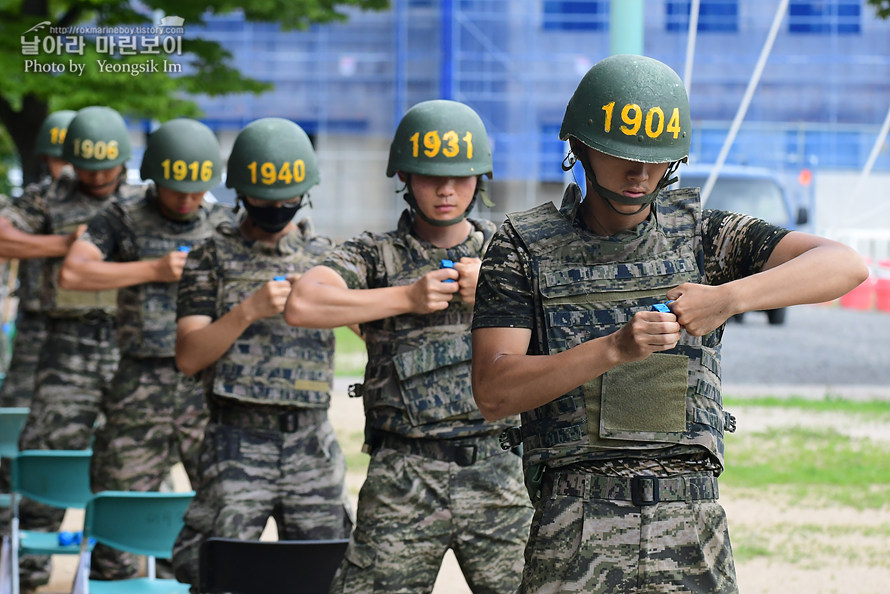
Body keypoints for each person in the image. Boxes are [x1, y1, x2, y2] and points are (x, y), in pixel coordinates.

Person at [469, 54, 869, 593]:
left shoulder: (705, 236)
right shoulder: (521, 246)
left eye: (655, 159)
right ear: (581, 147)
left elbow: (846, 265)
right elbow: (494, 391)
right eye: (622, 155)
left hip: (691, 523)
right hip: (576, 524)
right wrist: (612, 348)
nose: (640, 174)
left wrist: (729, 298)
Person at [285, 99, 532, 594]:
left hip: (500, 469)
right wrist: (405, 297)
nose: (445, 190)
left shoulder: (511, 250)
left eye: (459, 177)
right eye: (428, 176)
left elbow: (576, 321)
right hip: (403, 474)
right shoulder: (374, 254)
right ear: (405, 178)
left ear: (479, 179)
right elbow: (303, 303)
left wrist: (498, 287)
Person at [170, 117, 354, 591]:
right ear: (240, 193)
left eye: (286, 201)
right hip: (236, 439)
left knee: (326, 572)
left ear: (304, 192)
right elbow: (189, 356)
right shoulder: (209, 257)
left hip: (310, 440)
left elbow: (370, 328)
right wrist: (247, 310)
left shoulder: (328, 256)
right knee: (217, 572)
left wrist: (328, 304)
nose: (275, 208)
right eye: (262, 200)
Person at [58, 118, 231, 582]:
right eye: (177, 189)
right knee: (119, 510)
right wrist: (151, 269)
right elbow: (74, 272)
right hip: (139, 381)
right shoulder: (122, 215)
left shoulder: (225, 224)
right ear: (154, 176)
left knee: (223, 509)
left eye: (197, 190)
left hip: (207, 386)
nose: (187, 199)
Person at [0, 105, 145, 592]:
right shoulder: (47, 198)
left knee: (132, 461)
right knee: (47, 448)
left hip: (129, 341)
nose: (100, 176)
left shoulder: (142, 200)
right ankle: (29, 571)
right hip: (63, 338)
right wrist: (67, 245)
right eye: (88, 165)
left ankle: (124, 570)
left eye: (109, 165)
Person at [0, 109, 75, 409]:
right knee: (19, 413)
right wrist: (65, 244)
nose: (68, 169)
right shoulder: (39, 198)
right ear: (46, 160)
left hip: (106, 326)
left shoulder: (118, 200)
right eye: (60, 160)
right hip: (39, 325)